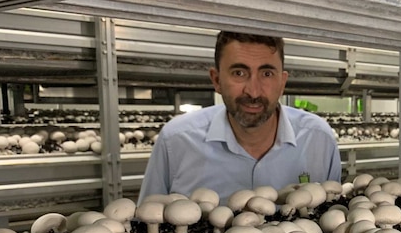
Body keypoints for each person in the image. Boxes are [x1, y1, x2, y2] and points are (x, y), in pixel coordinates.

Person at [139, 31, 341, 203]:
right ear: (216, 80)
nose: (253, 92)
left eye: (267, 74)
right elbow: (147, 224)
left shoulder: (318, 140)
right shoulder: (176, 141)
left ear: (282, 82)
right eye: (239, 73)